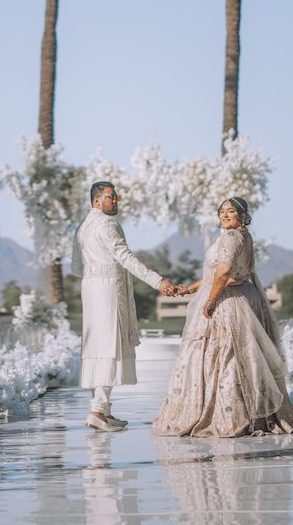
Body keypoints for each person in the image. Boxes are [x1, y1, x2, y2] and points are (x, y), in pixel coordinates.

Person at [151, 196, 293, 437]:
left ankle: (229, 416)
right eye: (221, 212)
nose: (225, 215)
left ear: (243, 215)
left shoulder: (231, 237)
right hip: (245, 296)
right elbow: (215, 275)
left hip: (230, 301)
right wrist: (190, 289)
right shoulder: (244, 236)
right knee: (244, 356)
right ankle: (254, 415)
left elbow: (224, 271)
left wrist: (210, 300)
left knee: (226, 356)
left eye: (231, 211)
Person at [72, 181, 178, 432]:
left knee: (98, 347)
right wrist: (157, 281)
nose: (117, 200)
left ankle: (102, 410)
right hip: (109, 290)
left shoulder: (82, 227)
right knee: (109, 347)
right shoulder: (107, 224)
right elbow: (125, 257)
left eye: (117, 196)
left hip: (90, 289)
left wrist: (95, 274)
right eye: (112, 196)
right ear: (97, 200)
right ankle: (98, 411)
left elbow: (76, 268)